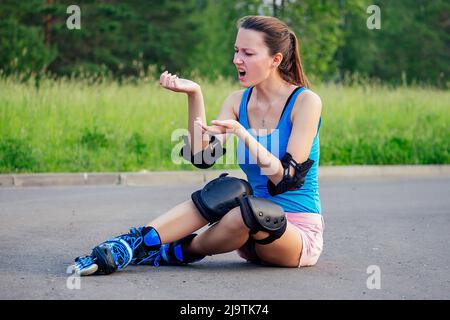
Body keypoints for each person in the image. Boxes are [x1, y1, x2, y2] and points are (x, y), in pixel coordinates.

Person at [72, 15, 323, 276]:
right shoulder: (238, 101)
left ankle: (179, 251)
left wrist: (243, 134)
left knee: (250, 209)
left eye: (248, 53)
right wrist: (195, 95)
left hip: (292, 234)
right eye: (236, 51)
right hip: (246, 233)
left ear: (275, 60)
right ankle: (133, 244)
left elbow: (286, 179)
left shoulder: (306, 102)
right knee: (232, 189)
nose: (237, 60)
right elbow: (202, 157)